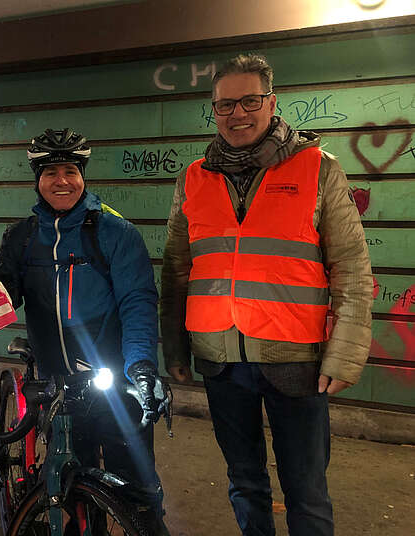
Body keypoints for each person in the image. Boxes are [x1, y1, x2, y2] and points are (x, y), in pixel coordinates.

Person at [161, 53, 372, 535]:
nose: (237, 113)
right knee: (244, 481)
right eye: (225, 105)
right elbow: (177, 269)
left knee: (305, 489)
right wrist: (175, 347)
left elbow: (353, 269)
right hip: (219, 359)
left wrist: (344, 356)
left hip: (296, 359)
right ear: (213, 111)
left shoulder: (318, 168)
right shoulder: (193, 176)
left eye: (249, 101)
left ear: (271, 102)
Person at [0, 128, 169, 534]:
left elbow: (137, 301)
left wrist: (141, 367)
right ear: (37, 179)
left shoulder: (116, 232)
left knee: (137, 490)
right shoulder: (22, 237)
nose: (61, 180)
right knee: (70, 482)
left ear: (83, 175)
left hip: (113, 379)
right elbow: (1, 293)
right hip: (59, 382)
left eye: (70, 170)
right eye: (50, 172)